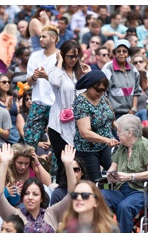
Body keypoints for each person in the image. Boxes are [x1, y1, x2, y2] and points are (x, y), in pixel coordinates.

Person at [0, 143, 77, 233]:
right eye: (26, 193)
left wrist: (68, 166)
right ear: (22, 197)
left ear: (42, 198)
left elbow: (72, 195)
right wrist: (4, 164)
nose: (30, 197)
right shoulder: (15, 215)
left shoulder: (52, 213)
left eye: (35, 194)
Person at [101, 114, 148, 233]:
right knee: (98, 196)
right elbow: (112, 168)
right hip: (122, 190)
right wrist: (110, 176)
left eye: (119, 131)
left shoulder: (145, 145)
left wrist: (131, 177)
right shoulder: (122, 147)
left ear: (129, 133)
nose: (117, 134)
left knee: (124, 207)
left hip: (143, 190)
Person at [48, 39, 90, 172]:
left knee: (78, 163)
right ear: (62, 55)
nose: (73, 59)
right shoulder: (56, 71)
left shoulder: (80, 73)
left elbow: (90, 94)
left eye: (76, 56)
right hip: (58, 123)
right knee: (63, 163)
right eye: (70, 56)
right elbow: (54, 82)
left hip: (77, 123)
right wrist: (59, 61)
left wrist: (88, 75)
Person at [73, 71, 118, 181]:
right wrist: (106, 140)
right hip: (88, 149)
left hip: (105, 146)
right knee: (96, 181)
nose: (101, 93)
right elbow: (85, 132)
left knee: (117, 174)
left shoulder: (102, 98)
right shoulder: (81, 102)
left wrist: (121, 129)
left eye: (103, 90)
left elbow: (110, 120)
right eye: (98, 90)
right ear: (89, 87)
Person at [24, 25, 59, 148]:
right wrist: (34, 77)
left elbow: (63, 82)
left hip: (57, 105)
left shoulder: (61, 57)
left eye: (44, 37)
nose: (40, 39)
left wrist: (46, 76)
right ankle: (29, 166)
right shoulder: (34, 56)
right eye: (40, 37)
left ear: (53, 38)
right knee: (30, 139)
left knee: (57, 142)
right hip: (38, 104)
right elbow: (29, 83)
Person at [102, 40, 140, 119]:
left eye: (124, 51)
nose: (121, 53)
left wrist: (133, 109)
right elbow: (103, 92)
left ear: (128, 53)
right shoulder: (108, 68)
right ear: (115, 53)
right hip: (113, 114)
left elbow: (136, 91)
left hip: (130, 113)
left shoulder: (133, 69)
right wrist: (110, 112)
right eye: (118, 51)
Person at [0, 74, 20, 144]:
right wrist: (8, 108)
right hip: (1, 128)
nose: (7, 84)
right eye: (4, 82)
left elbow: (19, 115)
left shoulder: (13, 97)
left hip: (15, 127)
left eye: (9, 82)